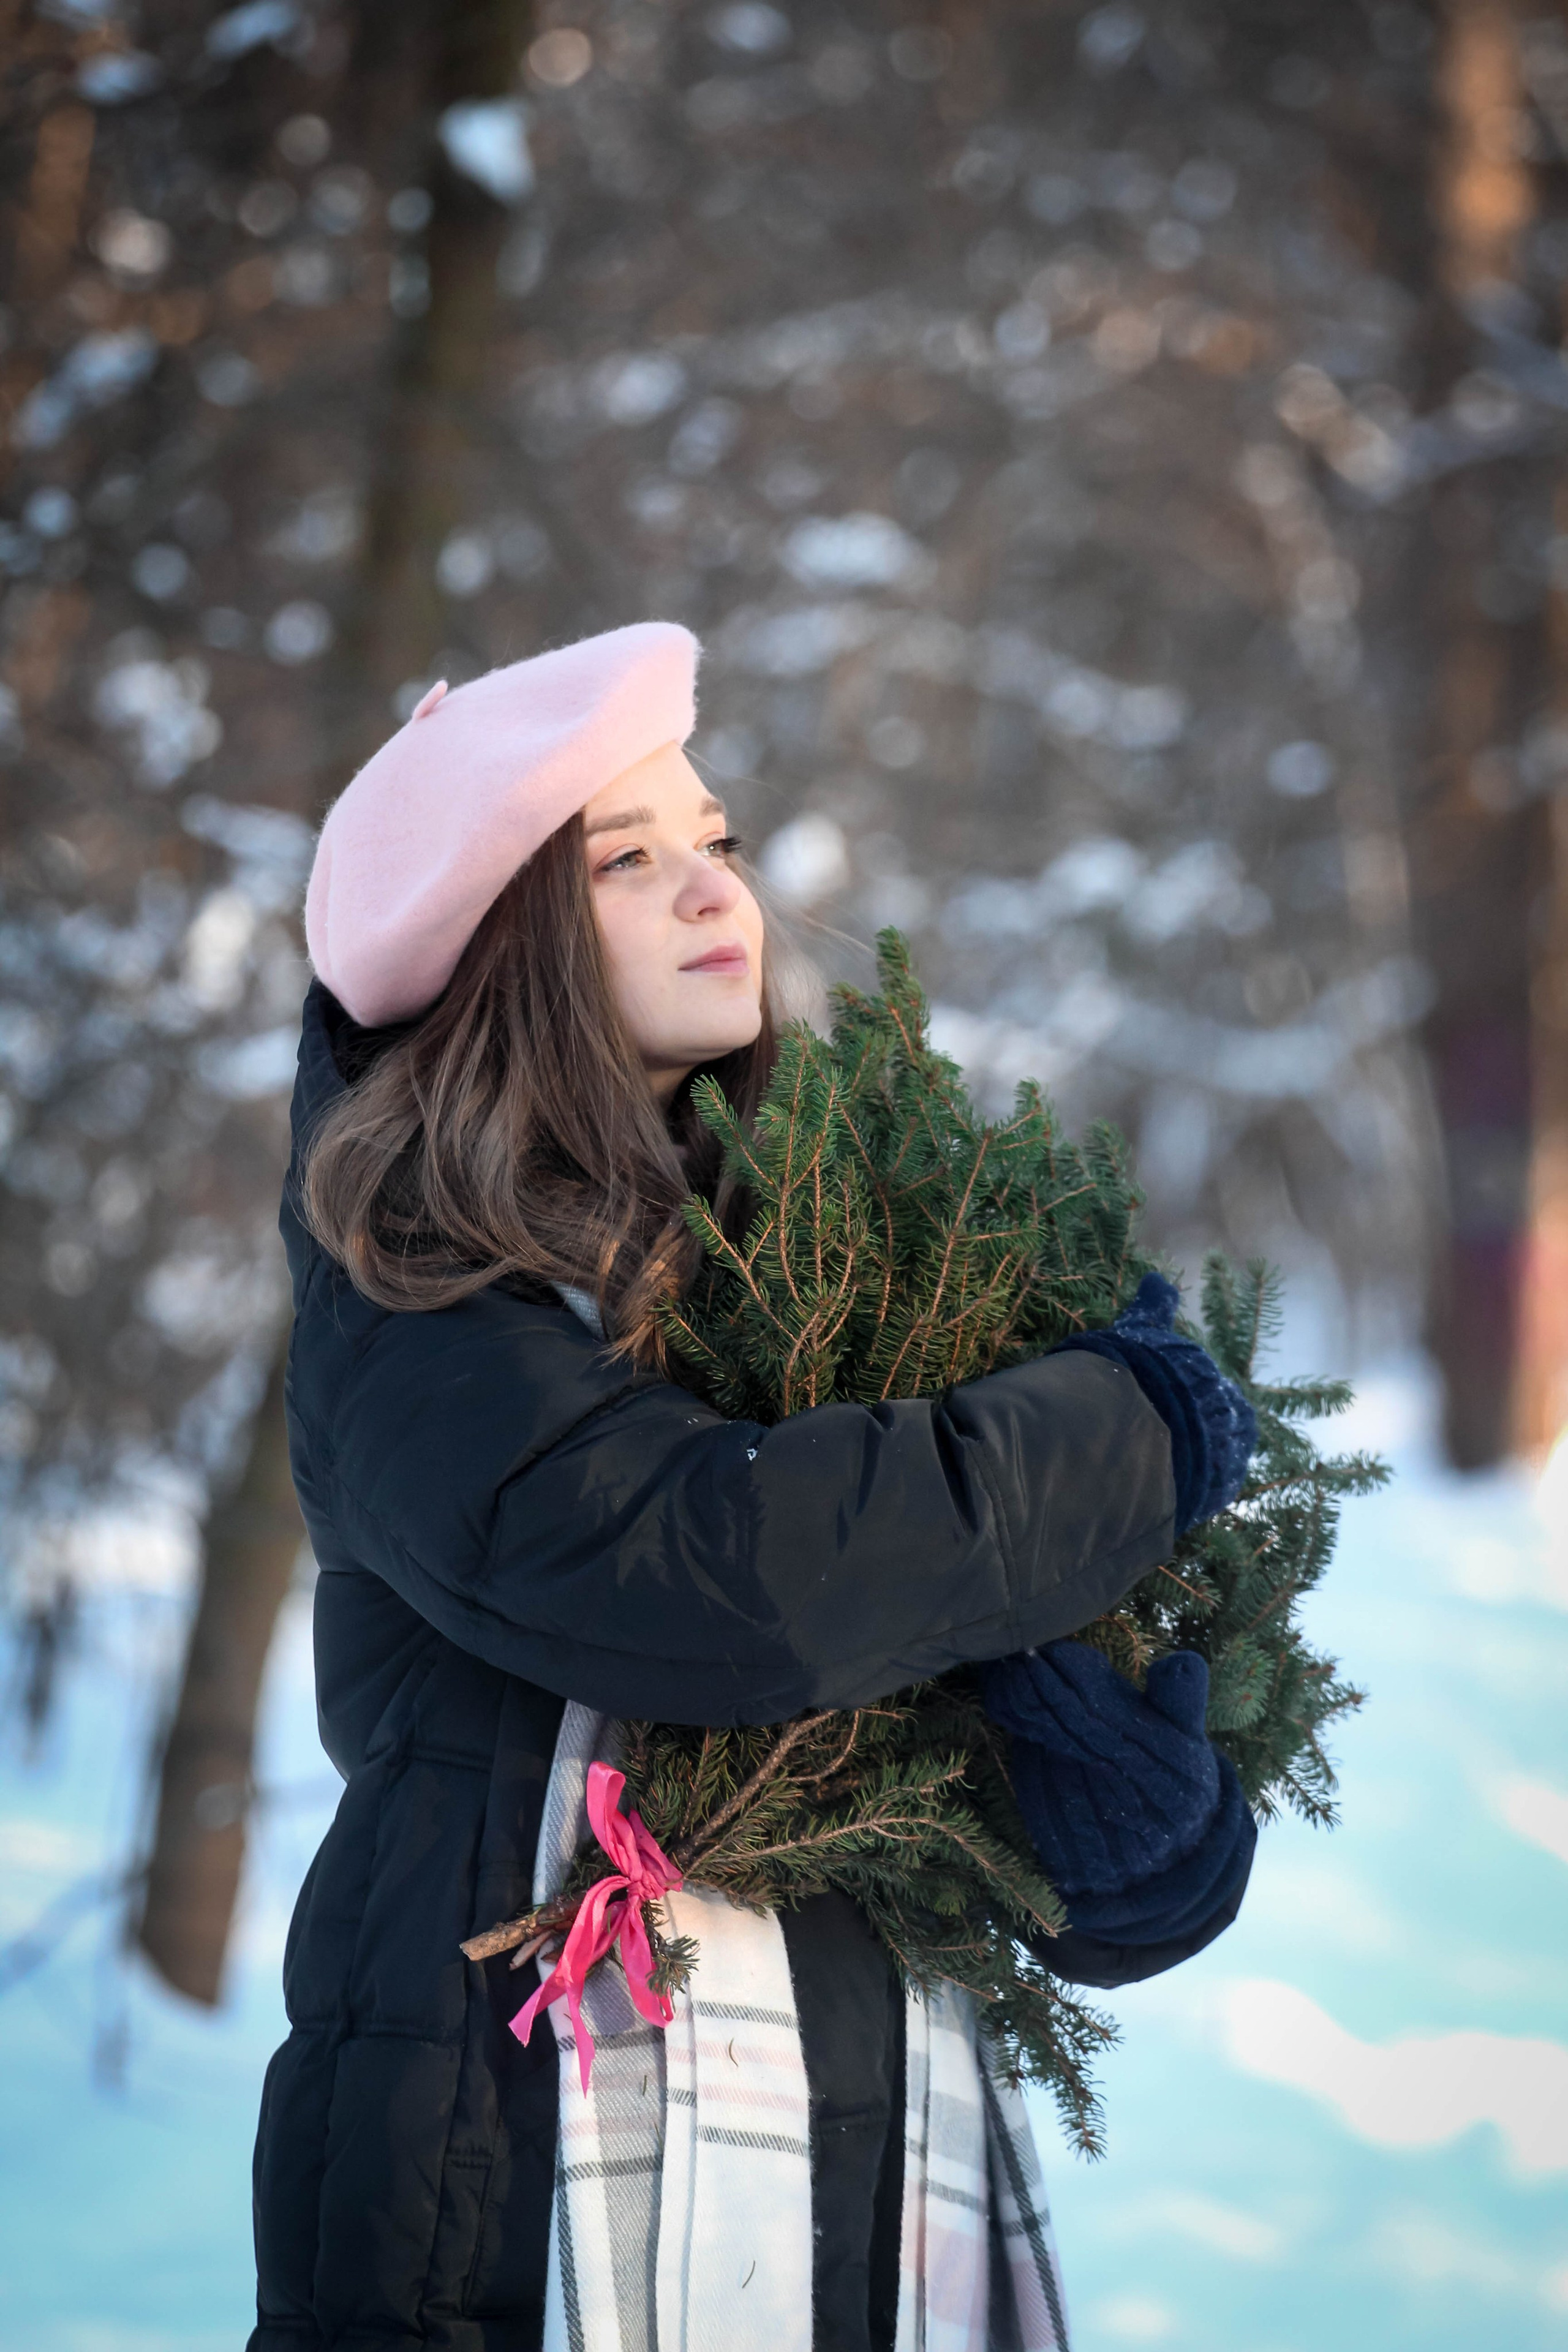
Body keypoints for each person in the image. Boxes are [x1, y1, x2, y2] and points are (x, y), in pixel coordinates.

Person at [251, 623, 1254, 2352]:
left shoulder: (841, 1281)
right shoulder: (417, 1292)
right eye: (623, 863)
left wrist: (1128, 1823)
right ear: (500, 946)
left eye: (711, 838)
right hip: (492, 2196)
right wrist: (1129, 1436)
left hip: (860, 2162)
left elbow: (938, 1722)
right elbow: (710, 1570)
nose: (713, 889)